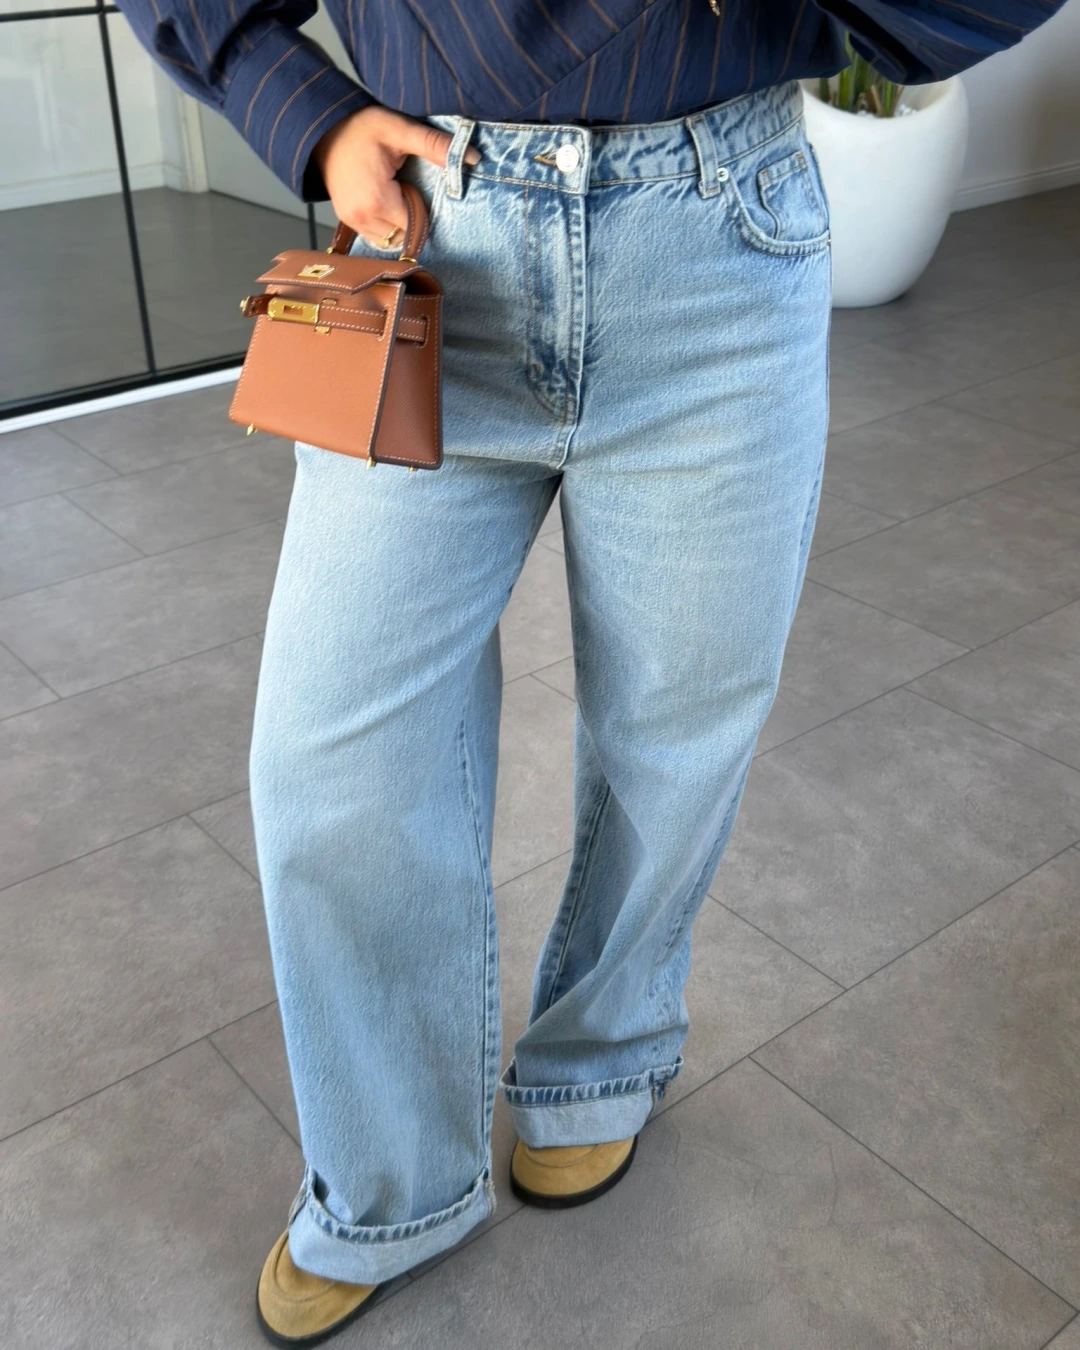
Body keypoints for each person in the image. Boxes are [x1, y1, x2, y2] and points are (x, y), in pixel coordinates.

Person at [116, 1, 1065, 1343]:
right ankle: (390, 1181)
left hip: (719, 240)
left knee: (677, 723)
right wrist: (305, 113)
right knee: (334, 754)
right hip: (430, 224)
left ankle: (602, 1061)